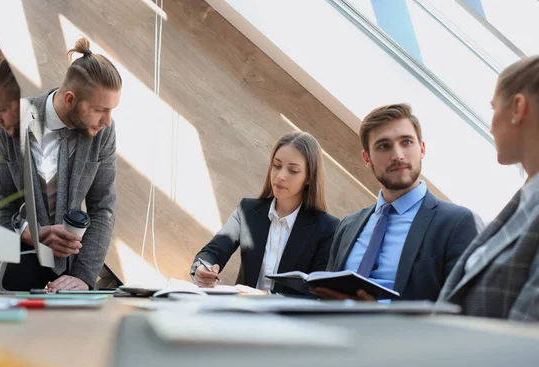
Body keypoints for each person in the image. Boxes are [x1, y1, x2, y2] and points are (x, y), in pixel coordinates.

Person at [0, 37, 121, 292]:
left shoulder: (104, 132)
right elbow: (5, 207)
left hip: (71, 275)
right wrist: (30, 232)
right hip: (19, 267)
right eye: (99, 110)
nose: (106, 121)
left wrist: (83, 277)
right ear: (70, 100)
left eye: (111, 110)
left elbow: (103, 208)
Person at [315, 104, 478, 301]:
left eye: (407, 142)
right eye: (384, 146)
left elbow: (462, 311)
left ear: (422, 149)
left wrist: (380, 318)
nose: (398, 155)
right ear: (367, 159)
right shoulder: (348, 225)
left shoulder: (456, 223)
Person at [438, 56, 539, 321]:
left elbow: (524, 340)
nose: (491, 125)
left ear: (518, 108)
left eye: (494, 108)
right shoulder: (525, 200)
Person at [190, 131, 340, 294]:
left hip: (287, 318)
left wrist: (265, 297)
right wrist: (203, 267)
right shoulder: (247, 210)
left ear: (309, 177)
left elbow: (317, 295)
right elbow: (213, 251)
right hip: (241, 314)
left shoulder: (328, 229)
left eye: (293, 170)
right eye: (276, 165)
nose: (280, 176)